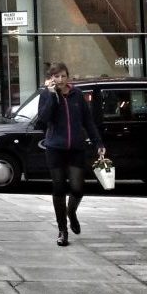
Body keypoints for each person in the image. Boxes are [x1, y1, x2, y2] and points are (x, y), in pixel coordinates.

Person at [36, 61, 105, 247]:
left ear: (68, 77)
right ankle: (62, 230)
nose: (60, 79)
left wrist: (98, 142)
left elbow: (88, 121)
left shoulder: (77, 95)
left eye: (63, 76)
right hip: (54, 148)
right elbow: (43, 119)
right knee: (58, 189)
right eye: (56, 76)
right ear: (51, 79)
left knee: (77, 188)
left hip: (76, 147)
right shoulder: (46, 95)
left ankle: (71, 211)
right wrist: (51, 96)